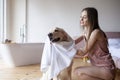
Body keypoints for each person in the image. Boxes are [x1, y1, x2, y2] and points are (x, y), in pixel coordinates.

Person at [74, 7, 116, 80]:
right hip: (97, 66)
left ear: (91, 19)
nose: (81, 19)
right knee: (80, 75)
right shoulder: (85, 32)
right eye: (81, 17)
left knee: (77, 71)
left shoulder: (96, 32)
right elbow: (73, 42)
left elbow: (83, 52)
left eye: (84, 17)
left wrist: (68, 51)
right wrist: (61, 44)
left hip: (106, 68)